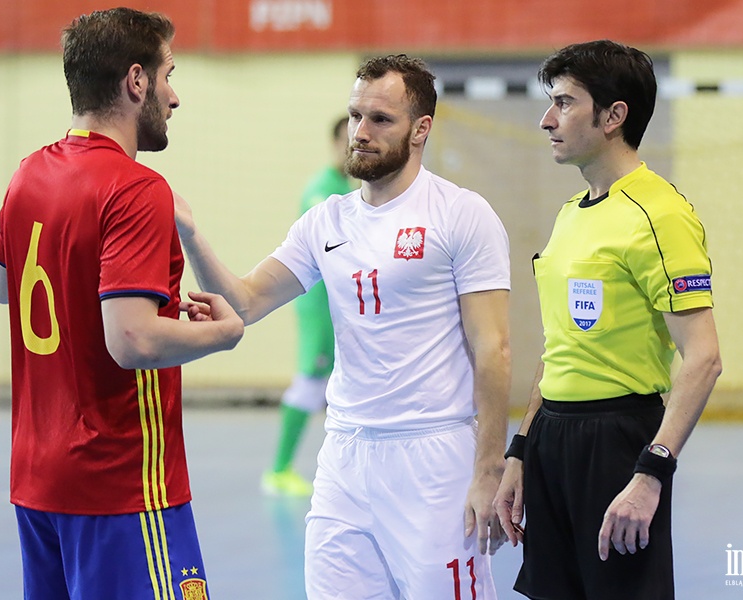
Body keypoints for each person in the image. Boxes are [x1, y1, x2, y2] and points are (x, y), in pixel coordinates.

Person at [174, 54, 511, 599]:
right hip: (345, 457)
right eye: (356, 116)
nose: (361, 132)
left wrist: (488, 469)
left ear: (421, 128)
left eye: (381, 120)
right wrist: (189, 232)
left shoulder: (462, 215)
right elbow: (247, 298)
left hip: (434, 458)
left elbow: (493, 349)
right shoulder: (325, 220)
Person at [0, 8, 244, 599]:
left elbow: (6, 290)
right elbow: (133, 340)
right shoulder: (135, 187)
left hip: (37, 483)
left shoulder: (28, 173)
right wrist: (224, 334)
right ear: (136, 82)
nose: (174, 96)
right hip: (122, 486)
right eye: (169, 74)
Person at [494, 40, 723, 600]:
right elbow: (559, 350)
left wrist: (651, 474)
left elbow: (704, 357)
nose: (548, 120)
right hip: (552, 440)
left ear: (614, 115)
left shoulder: (660, 213)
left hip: (618, 442)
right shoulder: (570, 214)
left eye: (566, 103)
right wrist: (521, 451)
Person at [262, 115, 353, 497]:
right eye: (349, 140)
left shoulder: (346, 188)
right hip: (319, 306)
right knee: (310, 382)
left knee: (329, 385)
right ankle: (279, 469)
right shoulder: (322, 191)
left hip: (337, 307)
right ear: (336, 143)